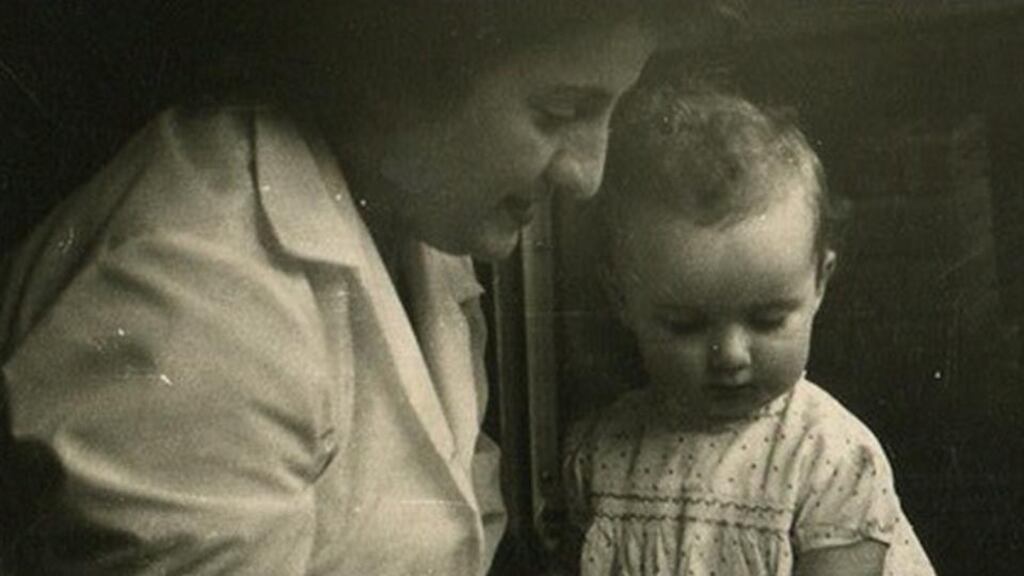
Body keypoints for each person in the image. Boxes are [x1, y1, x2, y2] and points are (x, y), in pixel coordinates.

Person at [0, 2, 741, 574]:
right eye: (559, 112)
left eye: (611, 111)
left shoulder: (410, 218)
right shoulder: (190, 301)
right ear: (401, 79)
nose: (587, 176)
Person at [563, 84, 936, 576]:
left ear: (820, 282)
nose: (731, 355)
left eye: (767, 320)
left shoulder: (828, 458)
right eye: (685, 325)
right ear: (622, 300)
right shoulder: (604, 451)